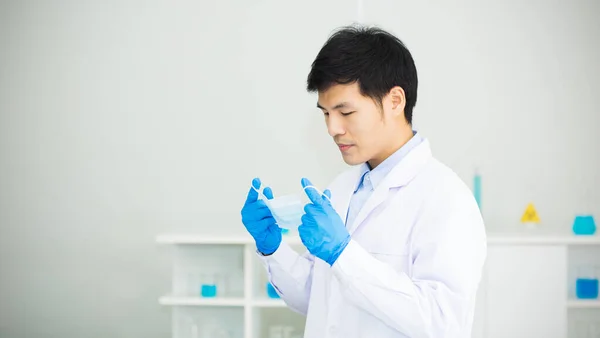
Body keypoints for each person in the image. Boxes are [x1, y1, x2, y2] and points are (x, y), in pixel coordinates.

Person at [240, 25, 486, 338]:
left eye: (345, 111)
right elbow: (317, 299)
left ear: (395, 101)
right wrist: (273, 248)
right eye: (326, 113)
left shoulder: (447, 199)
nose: (333, 129)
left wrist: (345, 256)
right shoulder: (342, 188)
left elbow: (442, 323)